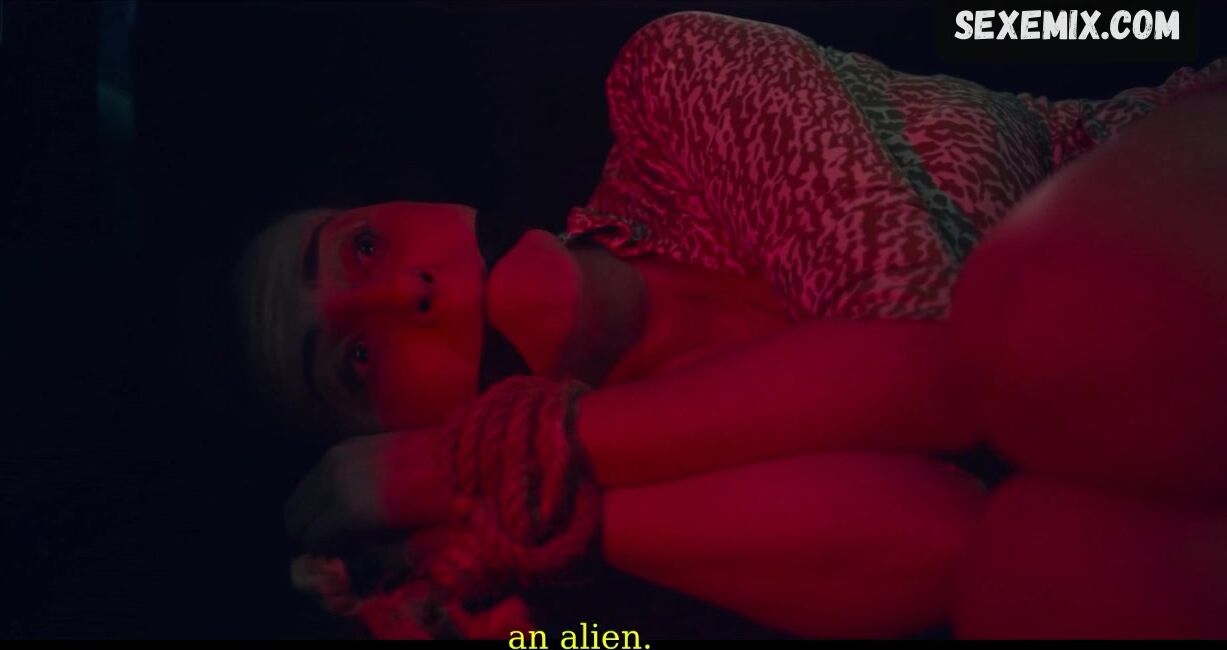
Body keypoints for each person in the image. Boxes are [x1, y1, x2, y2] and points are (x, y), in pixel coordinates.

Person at [238, 11, 1227, 639]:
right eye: (357, 361)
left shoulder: (665, 89)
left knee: (1045, 323)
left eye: (362, 248)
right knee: (1036, 577)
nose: (402, 293)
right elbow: (943, 541)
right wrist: (517, 495)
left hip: (1185, 193)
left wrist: (452, 470)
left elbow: (950, 352)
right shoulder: (642, 533)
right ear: (395, 430)